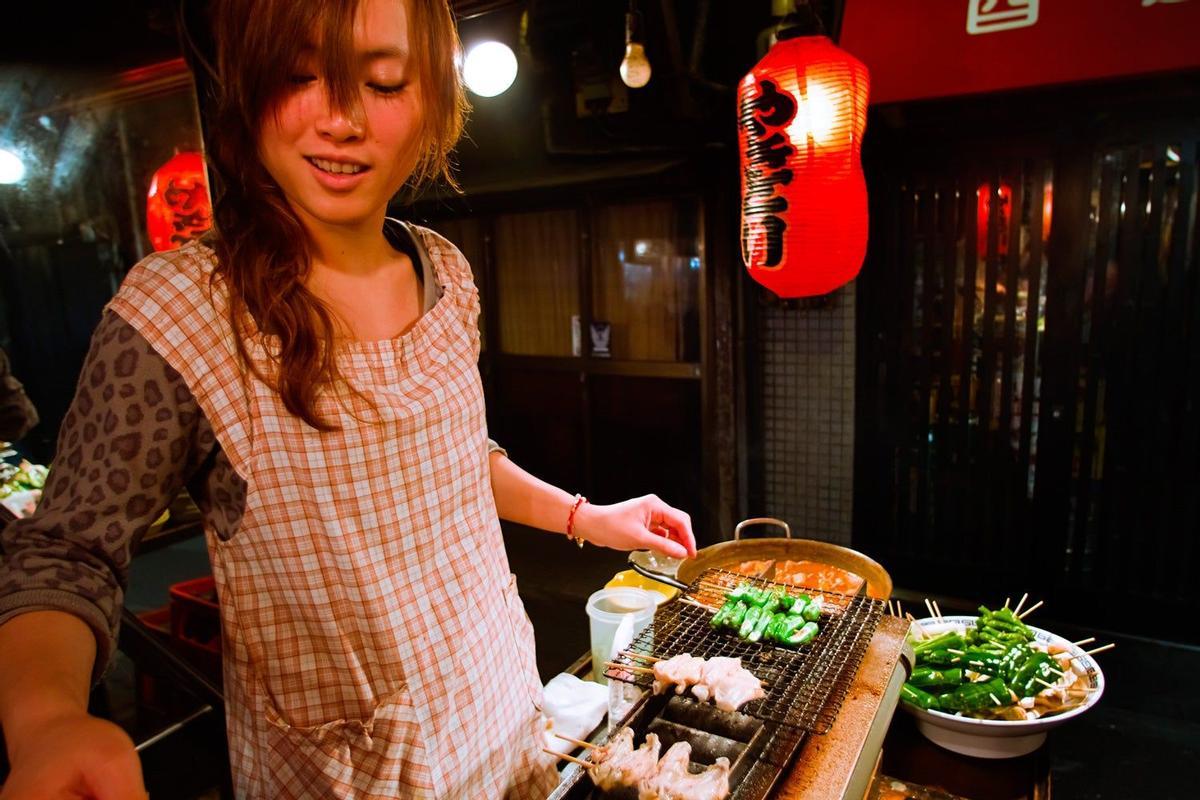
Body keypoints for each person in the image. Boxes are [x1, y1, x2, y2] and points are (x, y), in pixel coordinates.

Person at [0, 0, 697, 797]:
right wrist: (47, 721)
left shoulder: (445, 273)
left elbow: (452, 457)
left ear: (433, 99)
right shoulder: (179, 313)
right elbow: (65, 551)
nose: (341, 120)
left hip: (502, 717)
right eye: (300, 76)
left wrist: (585, 518)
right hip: (343, 772)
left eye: (385, 82)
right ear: (251, 90)